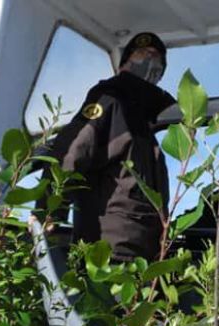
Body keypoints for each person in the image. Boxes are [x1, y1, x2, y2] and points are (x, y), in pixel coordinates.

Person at [45, 32, 176, 262]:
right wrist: (50, 212)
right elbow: (72, 150)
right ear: (123, 64)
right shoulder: (109, 99)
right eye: (142, 54)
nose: (150, 60)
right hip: (110, 249)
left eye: (157, 59)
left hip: (146, 251)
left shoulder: (145, 123)